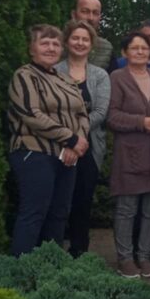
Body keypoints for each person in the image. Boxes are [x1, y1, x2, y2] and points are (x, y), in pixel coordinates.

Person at [7, 24, 89, 256]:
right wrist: (70, 139)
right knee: (34, 213)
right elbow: (31, 114)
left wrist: (77, 144)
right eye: (44, 43)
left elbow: (82, 114)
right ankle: (21, 269)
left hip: (67, 157)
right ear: (32, 48)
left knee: (59, 215)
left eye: (55, 44)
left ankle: (50, 268)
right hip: (34, 153)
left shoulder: (66, 80)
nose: (51, 48)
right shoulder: (24, 76)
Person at [108, 31, 150, 278]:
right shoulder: (118, 77)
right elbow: (111, 116)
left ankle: (145, 257)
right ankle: (125, 259)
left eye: (144, 47)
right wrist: (143, 121)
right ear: (125, 52)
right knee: (127, 208)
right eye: (135, 48)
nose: (141, 51)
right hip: (129, 152)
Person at [56, 19, 111, 257]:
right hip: (58, 145)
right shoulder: (54, 71)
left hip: (89, 147)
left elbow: (100, 112)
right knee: (58, 201)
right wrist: (69, 140)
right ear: (67, 42)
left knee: (82, 202)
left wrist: (77, 138)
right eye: (75, 38)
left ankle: (79, 253)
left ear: (91, 44)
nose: (80, 43)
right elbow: (52, 112)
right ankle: (52, 251)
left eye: (85, 39)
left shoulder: (100, 75)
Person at [71, 0, 114, 72]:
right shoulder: (57, 45)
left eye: (95, 13)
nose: (90, 18)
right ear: (74, 15)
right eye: (85, 12)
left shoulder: (106, 49)